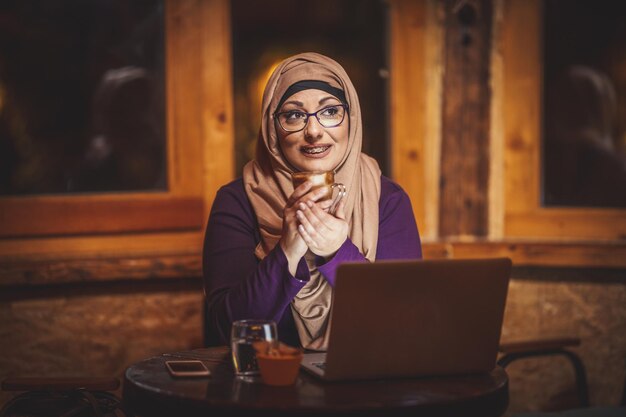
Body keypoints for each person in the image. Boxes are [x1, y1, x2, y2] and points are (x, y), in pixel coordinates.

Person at [203, 53, 422, 350]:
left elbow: (405, 322)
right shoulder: (237, 201)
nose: (314, 131)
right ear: (272, 129)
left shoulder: (388, 200)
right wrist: (286, 252)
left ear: (351, 120)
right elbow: (227, 327)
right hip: (264, 387)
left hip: (367, 386)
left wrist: (338, 252)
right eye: (293, 115)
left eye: (330, 111)